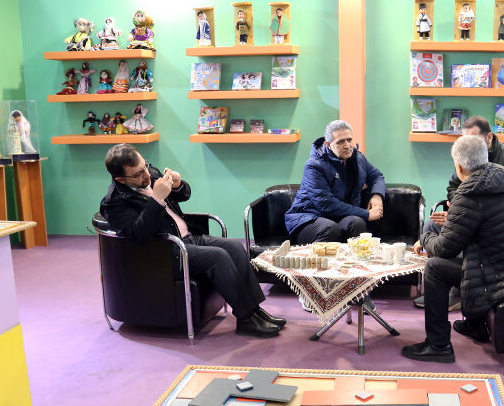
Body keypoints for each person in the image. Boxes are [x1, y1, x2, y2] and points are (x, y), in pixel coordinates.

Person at [100, 144, 285, 337]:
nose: (146, 175)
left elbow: (184, 195)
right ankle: (246, 318)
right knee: (219, 257)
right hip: (166, 252)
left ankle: (255, 311)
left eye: (144, 166)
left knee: (235, 248)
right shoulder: (114, 202)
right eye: (138, 174)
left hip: (188, 237)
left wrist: (178, 185)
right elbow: (139, 235)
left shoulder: (151, 174)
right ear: (120, 179)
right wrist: (156, 200)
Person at [402, 136, 504, 363]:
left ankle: (438, 345)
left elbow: (444, 249)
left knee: (435, 268)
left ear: (459, 167)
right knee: (469, 250)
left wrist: (424, 237)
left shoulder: (469, 193)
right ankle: (475, 325)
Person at [413, 115, 504, 309]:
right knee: (432, 225)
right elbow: (454, 189)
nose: (468, 144)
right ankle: (449, 292)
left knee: (435, 260)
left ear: (489, 138)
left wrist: (466, 214)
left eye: (472, 139)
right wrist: (459, 213)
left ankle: (456, 296)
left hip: (500, 253)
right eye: (464, 139)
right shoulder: (496, 170)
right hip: (494, 242)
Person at [285, 120, 385, 245]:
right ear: (328, 144)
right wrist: (366, 214)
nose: (347, 146)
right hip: (308, 218)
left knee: (357, 222)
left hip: (339, 217)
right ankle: (314, 258)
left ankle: (356, 258)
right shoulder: (314, 165)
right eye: (340, 142)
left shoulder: (358, 158)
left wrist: (377, 196)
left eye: (349, 140)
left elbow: (376, 176)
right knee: (330, 229)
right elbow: (326, 204)